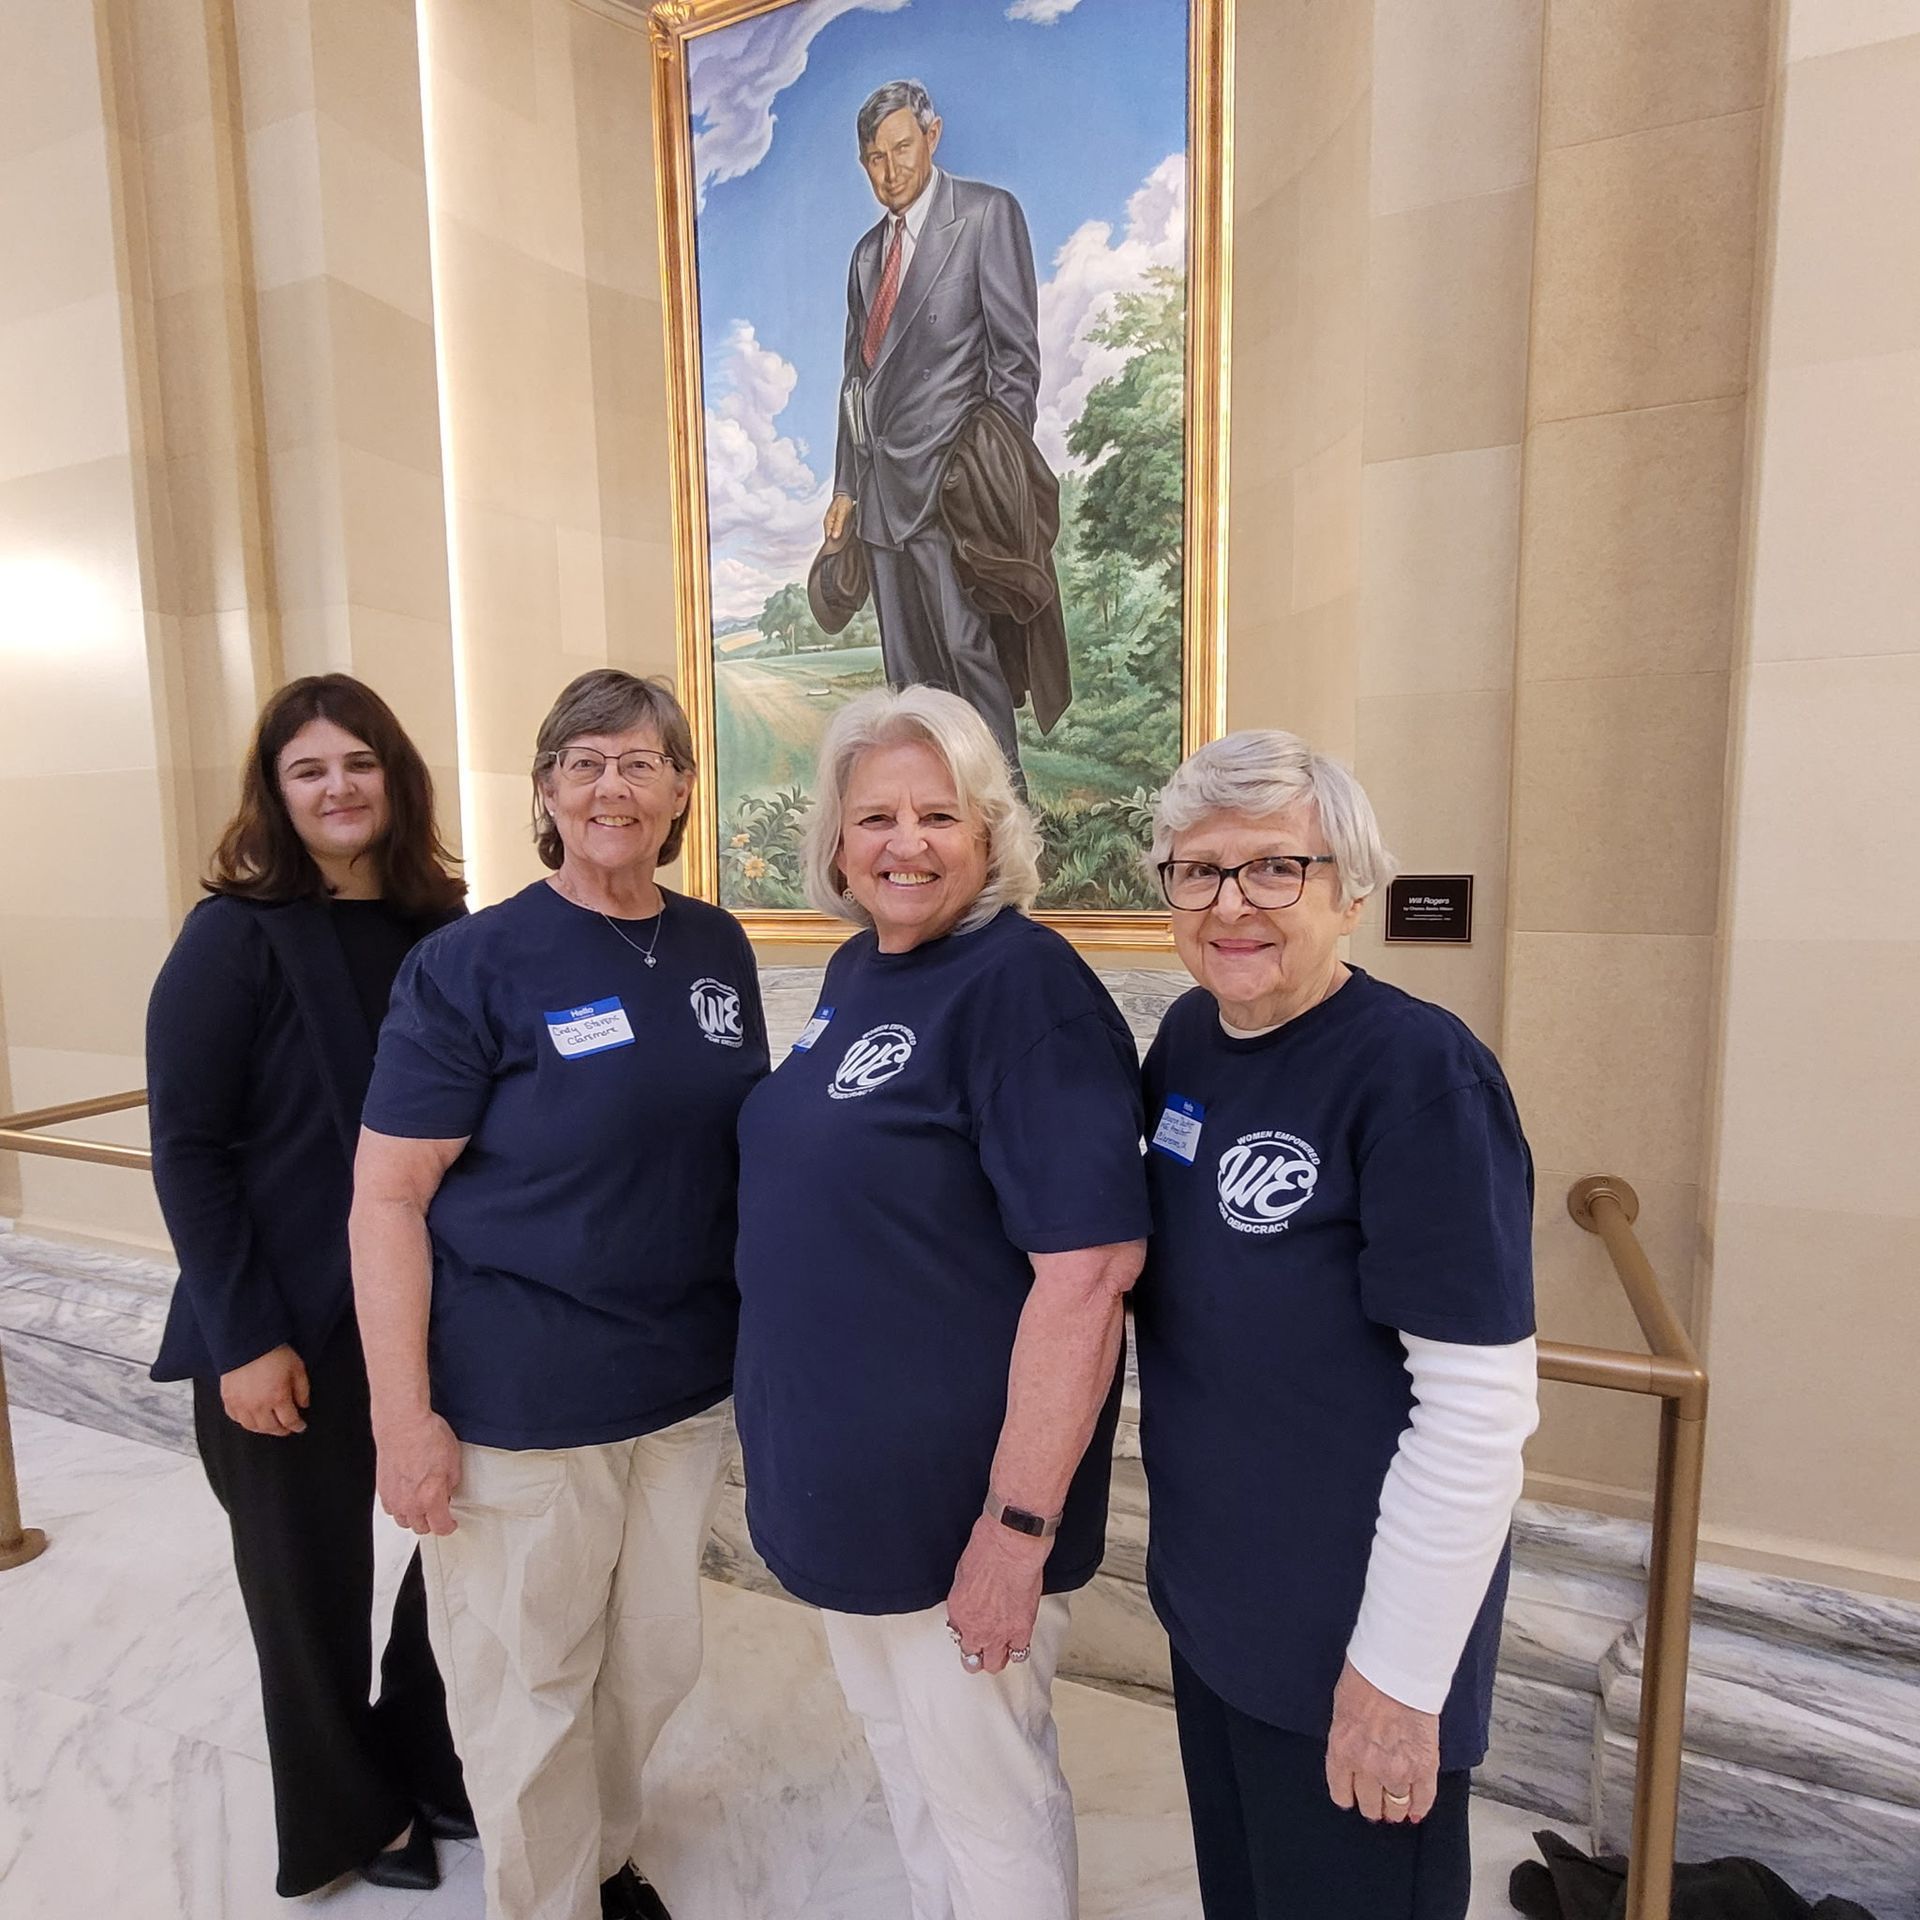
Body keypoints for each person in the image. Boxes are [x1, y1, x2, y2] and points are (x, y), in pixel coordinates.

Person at [350, 669, 767, 1920]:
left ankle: (601, 1856)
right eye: (583, 763)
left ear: (682, 788)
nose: (611, 786)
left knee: (649, 1662)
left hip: (682, 1388)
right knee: (526, 1687)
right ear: (545, 791)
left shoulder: (715, 944)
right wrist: (402, 1419)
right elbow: (387, 1200)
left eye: (640, 761)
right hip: (523, 1397)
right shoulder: (472, 963)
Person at [732, 685, 1149, 1920]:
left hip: (956, 1501)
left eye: (938, 815)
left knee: (986, 1797)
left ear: (990, 833)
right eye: (875, 818)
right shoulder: (859, 968)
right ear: (836, 843)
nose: (904, 843)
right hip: (842, 1484)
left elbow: (1090, 1274)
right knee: (906, 1765)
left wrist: (1014, 1530)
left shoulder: (1025, 988)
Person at [1131, 730, 1541, 1920]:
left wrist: (1397, 1679)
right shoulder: (1191, 1039)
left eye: (1276, 868)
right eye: (1199, 870)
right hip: (1219, 1616)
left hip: (1353, 1644)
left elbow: (1476, 1414)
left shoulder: (1418, 1077)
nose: (1232, 904)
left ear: (1351, 891)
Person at [147, 674, 471, 1897]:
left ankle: (427, 1753)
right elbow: (188, 1148)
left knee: (464, 1557)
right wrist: (243, 1337)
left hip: (437, 1312)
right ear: (276, 793)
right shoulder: (232, 935)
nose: (339, 788)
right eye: (310, 769)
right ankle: (352, 1815)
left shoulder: (446, 929)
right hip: (282, 1324)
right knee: (309, 1590)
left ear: (396, 777)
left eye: (359, 763)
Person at [822, 79, 1068, 780]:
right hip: (880, 499)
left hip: (952, 491)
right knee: (907, 680)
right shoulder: (866, 255)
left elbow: (1015, 362)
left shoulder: (988, 214)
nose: (890, 170)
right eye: (875, 158)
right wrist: (845, 486)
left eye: (902, 148)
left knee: (968, 655)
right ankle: (928, 811)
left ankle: (1005, 812)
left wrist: (989, 467)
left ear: (932, 137)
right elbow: (855, 380)